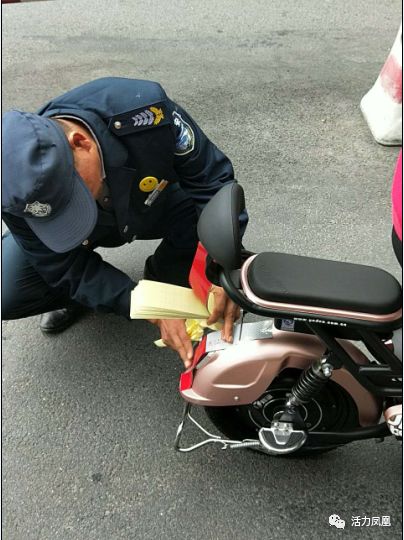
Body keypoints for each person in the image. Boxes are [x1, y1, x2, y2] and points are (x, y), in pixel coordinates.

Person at [2, 77, 248, 368]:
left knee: (201, 214)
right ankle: (81, 299)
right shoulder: (11, 190)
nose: (71, 216)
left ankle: (166, 275)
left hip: (152, 202)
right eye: (55, 216)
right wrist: (148, 306)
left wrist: (222, 269)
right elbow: (64, 267)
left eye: (72, 199)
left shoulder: (144, 113)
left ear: (80, 144)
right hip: (98, 229)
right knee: (8, 292)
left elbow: (213, 184)